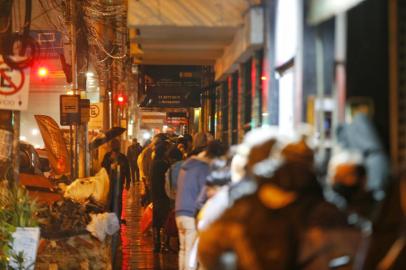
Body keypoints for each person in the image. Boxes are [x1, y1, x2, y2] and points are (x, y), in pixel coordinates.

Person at [175, 137, 227, 270]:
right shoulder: (203, 168)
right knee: (191, 252)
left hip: (179, 211)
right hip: (191, 213)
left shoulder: (187, 165)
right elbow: (204, 192)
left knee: (183, 249)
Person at [101, 138, 131, 222]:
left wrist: (128, 181)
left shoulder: (123, 157)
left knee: (118, 199)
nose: (115, 147)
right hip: (108, 182)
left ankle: (117, 217)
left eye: (116, 145)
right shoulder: (107, 156)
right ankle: (109, 217)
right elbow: (103, 166)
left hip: (119, 182)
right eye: (113, 145)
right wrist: (110, 160)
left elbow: (127, 170)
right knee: (109, 199)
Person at [150, 141, 171, 253]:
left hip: (155, 195)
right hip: (163, 195)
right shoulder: (163, 164)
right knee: (165, 220)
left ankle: (157, 243)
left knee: (157, 220)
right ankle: (164, 244)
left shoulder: (154, 163)